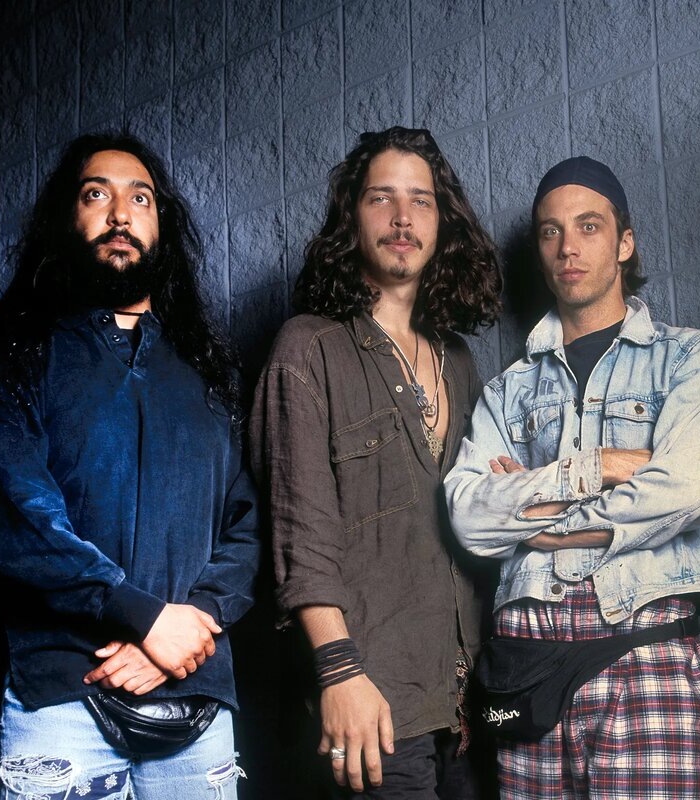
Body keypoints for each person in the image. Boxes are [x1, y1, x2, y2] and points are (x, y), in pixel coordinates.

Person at [0, 133, 260, 799]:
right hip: (64, 694)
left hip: (195, 691)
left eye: (140, 199)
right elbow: (15, 521)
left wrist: (189, 625)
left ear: (162, 225)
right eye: (97, 195)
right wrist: (146, 619)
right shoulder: (11, 360)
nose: (121, 214)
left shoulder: (210, 373)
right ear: (66, 219)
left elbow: (249, 522)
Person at [444, 156, 700, 799]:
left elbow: (684, 490)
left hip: (644, 641)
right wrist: (597, 468)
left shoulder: (686, 358)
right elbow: (468, 514)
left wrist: (541, 523)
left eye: (589, 226)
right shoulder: (507, 392)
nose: (567, 246)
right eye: (551, 231)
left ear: (625, 242)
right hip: (528, 651)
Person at [250, 126, 503, 797]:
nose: (401, 217)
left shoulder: (456, 359)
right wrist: (338, 673)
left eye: (421, 200)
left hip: (467, 703)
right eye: (380, 198)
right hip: (373, 704)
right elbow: (298, 534)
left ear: (442, 222)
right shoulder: (307, 349)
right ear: (351, 217)